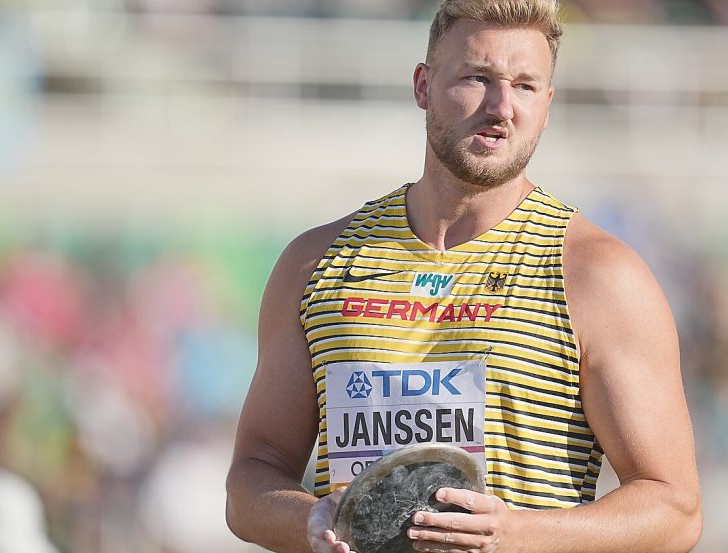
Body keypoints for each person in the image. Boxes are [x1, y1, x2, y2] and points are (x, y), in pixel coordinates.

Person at [225, 1, 702, 552]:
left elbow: (675, 509)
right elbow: (250, 480)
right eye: (477, 78)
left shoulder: (596, 275)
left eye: (525, 86)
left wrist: (518, 534)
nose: (501, 107)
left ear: (547, 105)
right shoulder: (317, 264)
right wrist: (308, 521)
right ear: (423, 86)